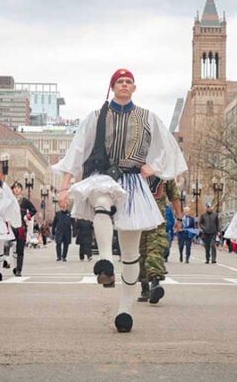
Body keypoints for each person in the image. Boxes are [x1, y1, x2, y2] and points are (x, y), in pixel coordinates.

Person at [53, 68, 187, 333]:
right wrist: (64, 187)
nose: (124, 85)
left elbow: (169, 146)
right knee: (101, 200)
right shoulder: (96, 117)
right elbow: (77, 150)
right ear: (112, 87)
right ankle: (104, 258)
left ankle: (125, 310)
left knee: (131, 252)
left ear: (134, 88)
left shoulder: (148, 117)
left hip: (133, 181)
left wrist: (155, 167)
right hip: (104, 175)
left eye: (128, 82)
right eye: (119, 82)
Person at [138, 177, 181, 304]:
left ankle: (155, 285)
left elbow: (174, 196)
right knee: (141, 253)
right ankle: (145, 287)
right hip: (138, 218)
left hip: (157, 220)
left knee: (155, 250)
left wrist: (179, 218)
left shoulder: (165, 172)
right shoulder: (136, 166)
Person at [11, 181, 37, 277]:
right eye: (15, 188)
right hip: (10, 226)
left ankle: (18, 269)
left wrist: (28, 216)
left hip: (21, 227)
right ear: (12, 189)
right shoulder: (9, 199)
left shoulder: (25, 201)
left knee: (20, 249)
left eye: (18, 188)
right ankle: (4, 264)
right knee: (7, 245)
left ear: (21, 190)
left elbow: (33, 210)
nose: (17, 189)